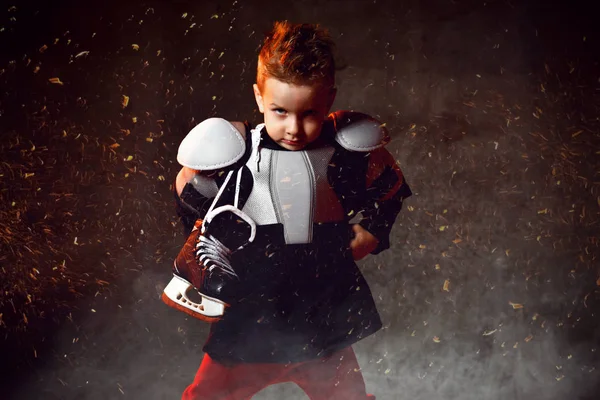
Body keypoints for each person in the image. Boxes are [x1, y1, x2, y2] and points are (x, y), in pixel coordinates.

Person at [163, 20, 412, 400]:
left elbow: (390, 189)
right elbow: (188, 190)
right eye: (279, 111)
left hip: (321, 311)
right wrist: (208, 238)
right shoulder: (233, 151)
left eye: (309, 113)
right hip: (252, 310)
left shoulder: (346, 151)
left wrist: (374, 231)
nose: (294, 128)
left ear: (329, 99)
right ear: (259, 97)